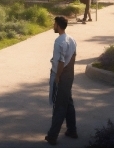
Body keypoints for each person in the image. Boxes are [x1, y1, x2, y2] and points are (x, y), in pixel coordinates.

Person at [45, 15, 77, 145]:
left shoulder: (59, 41)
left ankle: (52, 136)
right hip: (69, 74)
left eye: (54, 24)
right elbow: (73, 57)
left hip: (61, 75)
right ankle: (72, 130)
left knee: (59, 106)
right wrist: (69, 73)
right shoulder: (72, 39)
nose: (53, 26)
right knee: (68, 102)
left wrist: (58, 76)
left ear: (58, 25)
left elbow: (60, 61)